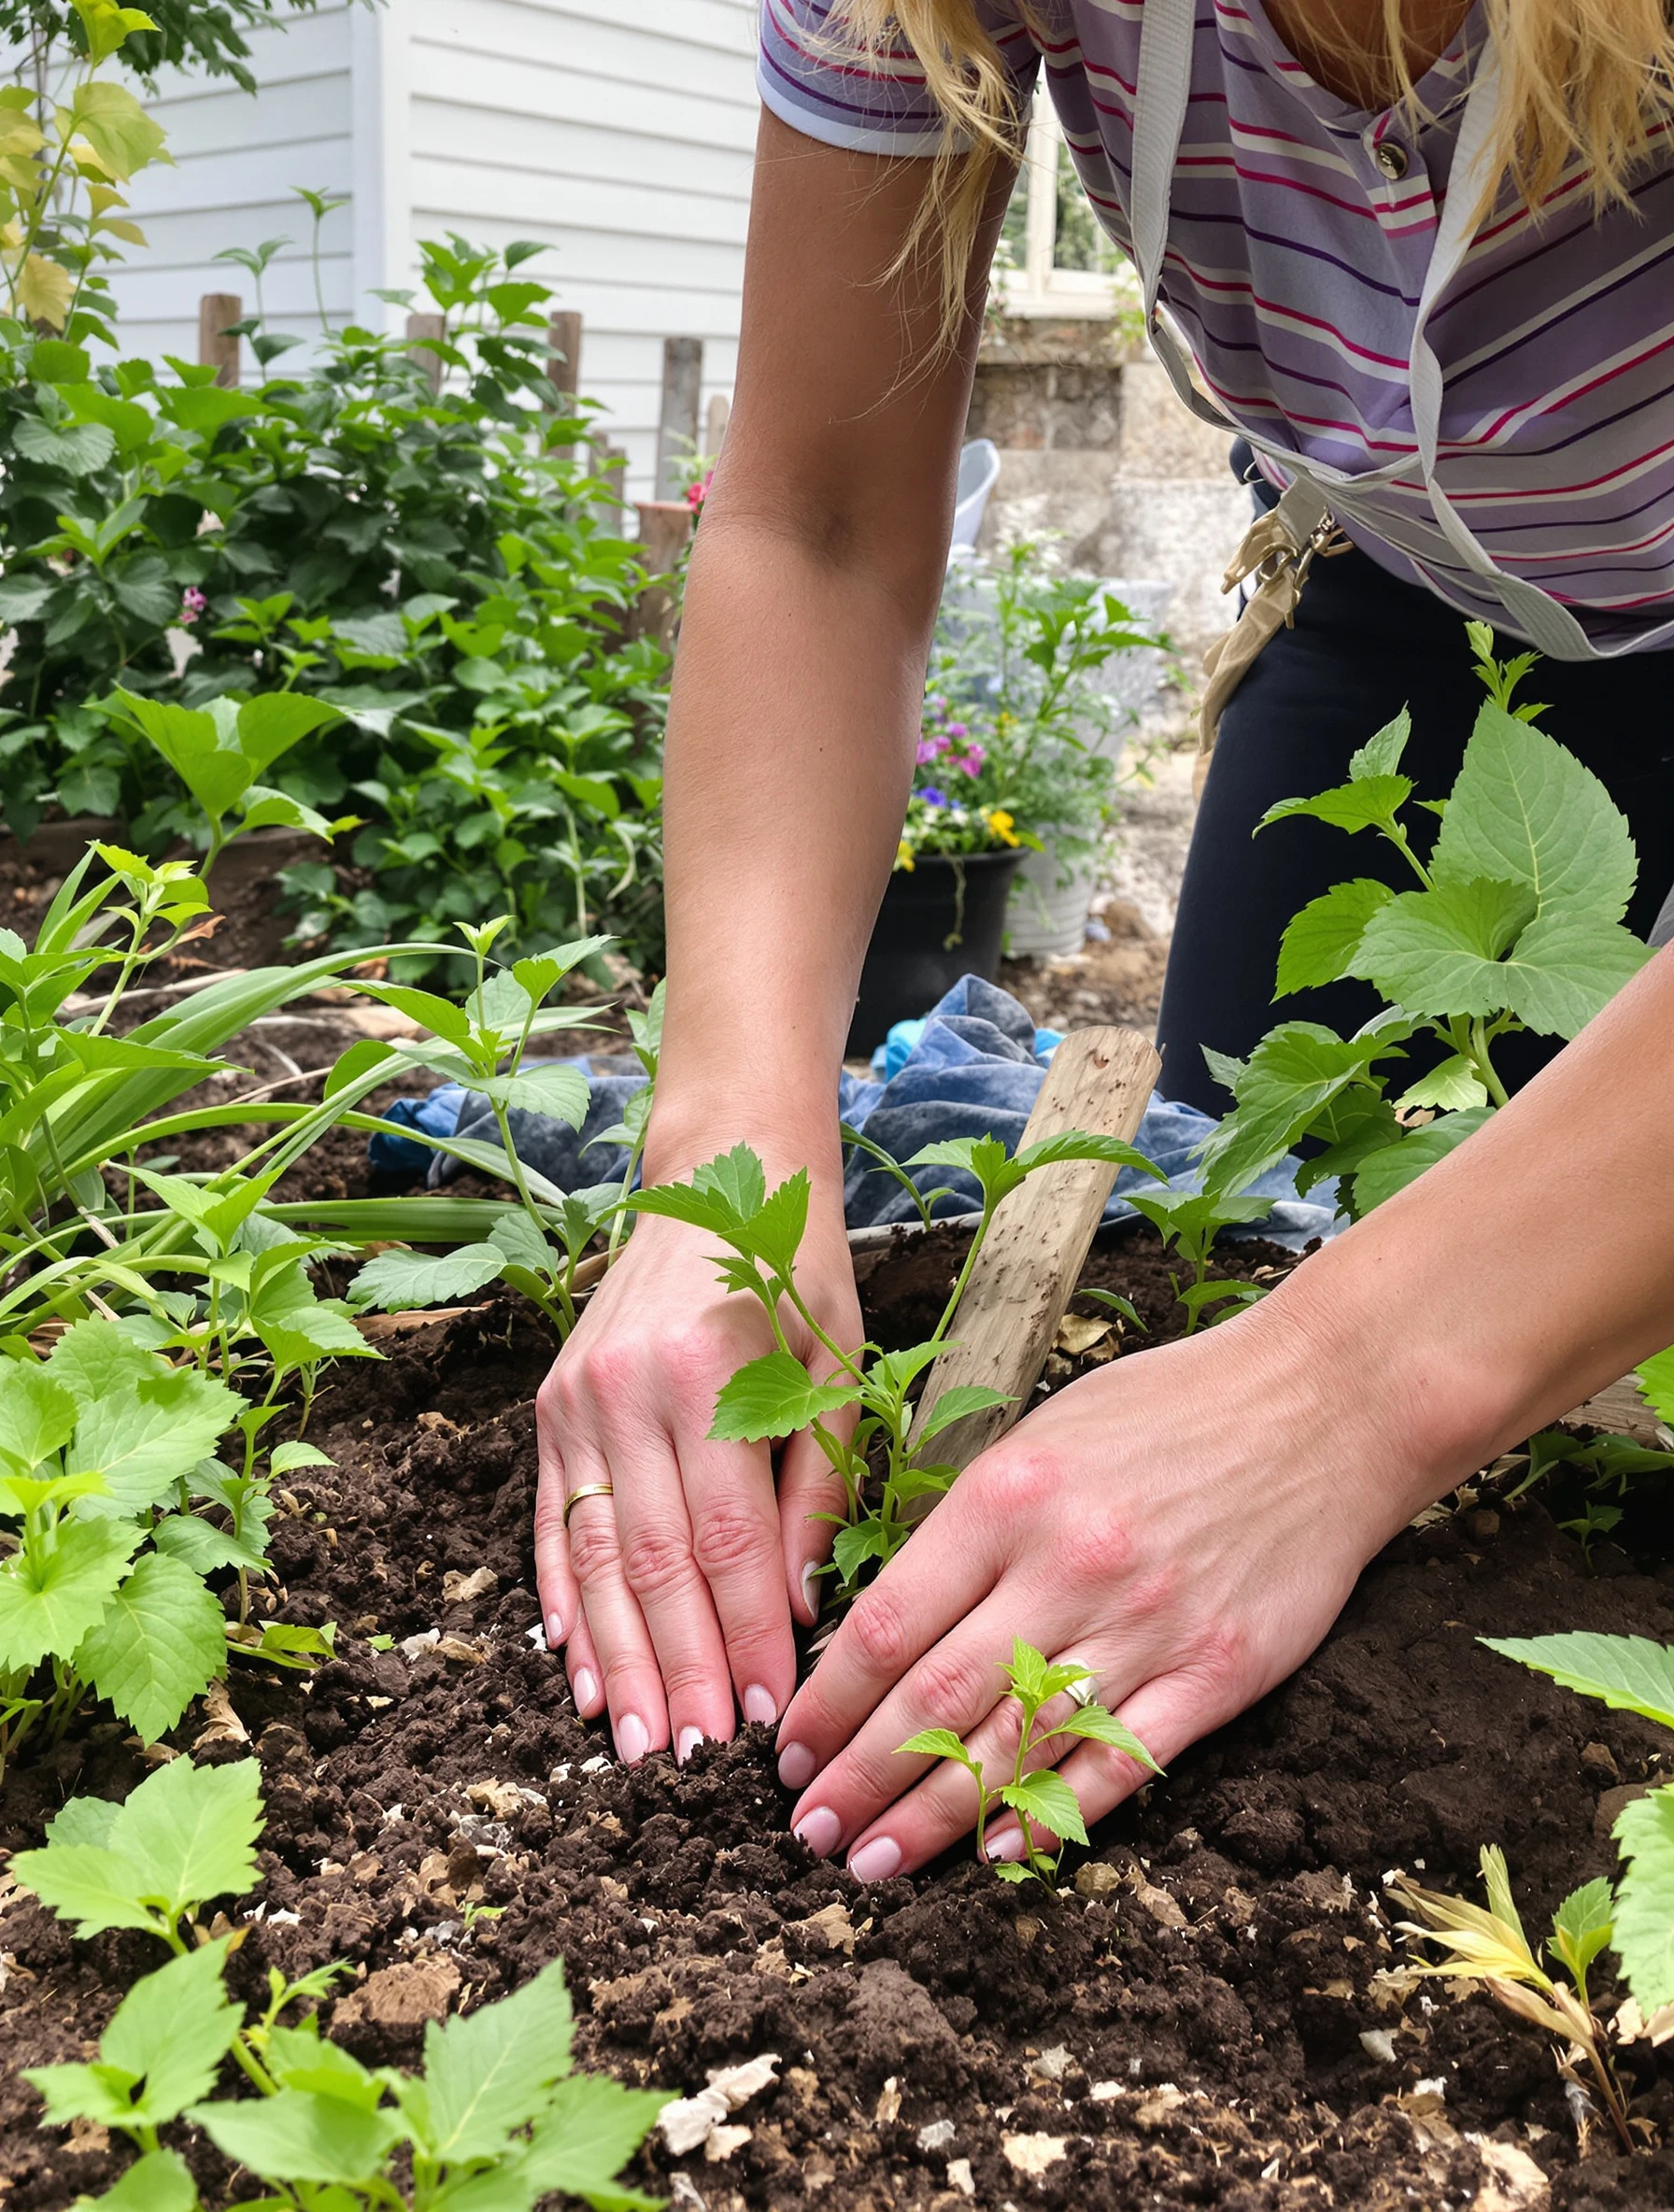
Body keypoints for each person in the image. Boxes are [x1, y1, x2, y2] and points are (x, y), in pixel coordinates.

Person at [531, 0, 1674, 1880]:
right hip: (1405, 602)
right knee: (1234, 1207)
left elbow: (1355, 1371)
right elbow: (814, 518)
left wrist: (1345, 1385)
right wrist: (722, 1153)